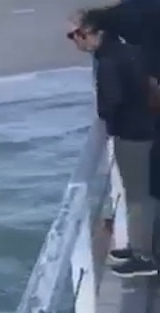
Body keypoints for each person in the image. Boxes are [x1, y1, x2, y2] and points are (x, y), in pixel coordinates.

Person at [68, 13, 158, 277]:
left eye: (77, 36)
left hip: (131, 135)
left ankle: (143, 255)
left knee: (138, 196)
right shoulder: (127, 50)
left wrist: (105, 116)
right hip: (147, 129)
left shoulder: (108, 61)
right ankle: (140, 247)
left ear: (92, 33)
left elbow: (111, 101)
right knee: (143, 193)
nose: (76, 43)